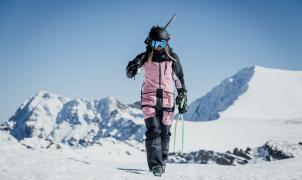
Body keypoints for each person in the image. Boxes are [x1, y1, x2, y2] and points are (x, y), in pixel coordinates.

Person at [126, 25, 187, 177]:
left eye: (162, 44)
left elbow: (179, 79)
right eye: (155, 44)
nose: (159, 48)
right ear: (149, 43)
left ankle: (162, 161)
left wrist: (182, 95)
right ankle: (156, 165)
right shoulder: (145, 57)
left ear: (167, 43)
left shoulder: (172, 58)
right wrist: (133, 67)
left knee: (165, 133)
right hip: (149, 97)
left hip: (168, 99)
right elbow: (129, 72)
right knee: (153, 130)